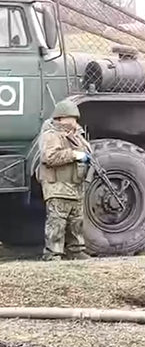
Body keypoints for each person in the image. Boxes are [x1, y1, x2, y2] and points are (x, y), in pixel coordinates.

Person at [37, 100, 92, 262]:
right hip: (57, 185)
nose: (74, 122)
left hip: (75, 185)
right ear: (60, 118)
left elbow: (87, 152)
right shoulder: (51, 135)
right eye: (71, 118)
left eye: (76, 119)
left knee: (76, 221)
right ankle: (53, 254)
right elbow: (49, 157)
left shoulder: (76, 135)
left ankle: (76, 250)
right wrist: (74, 155)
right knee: (57, 222)